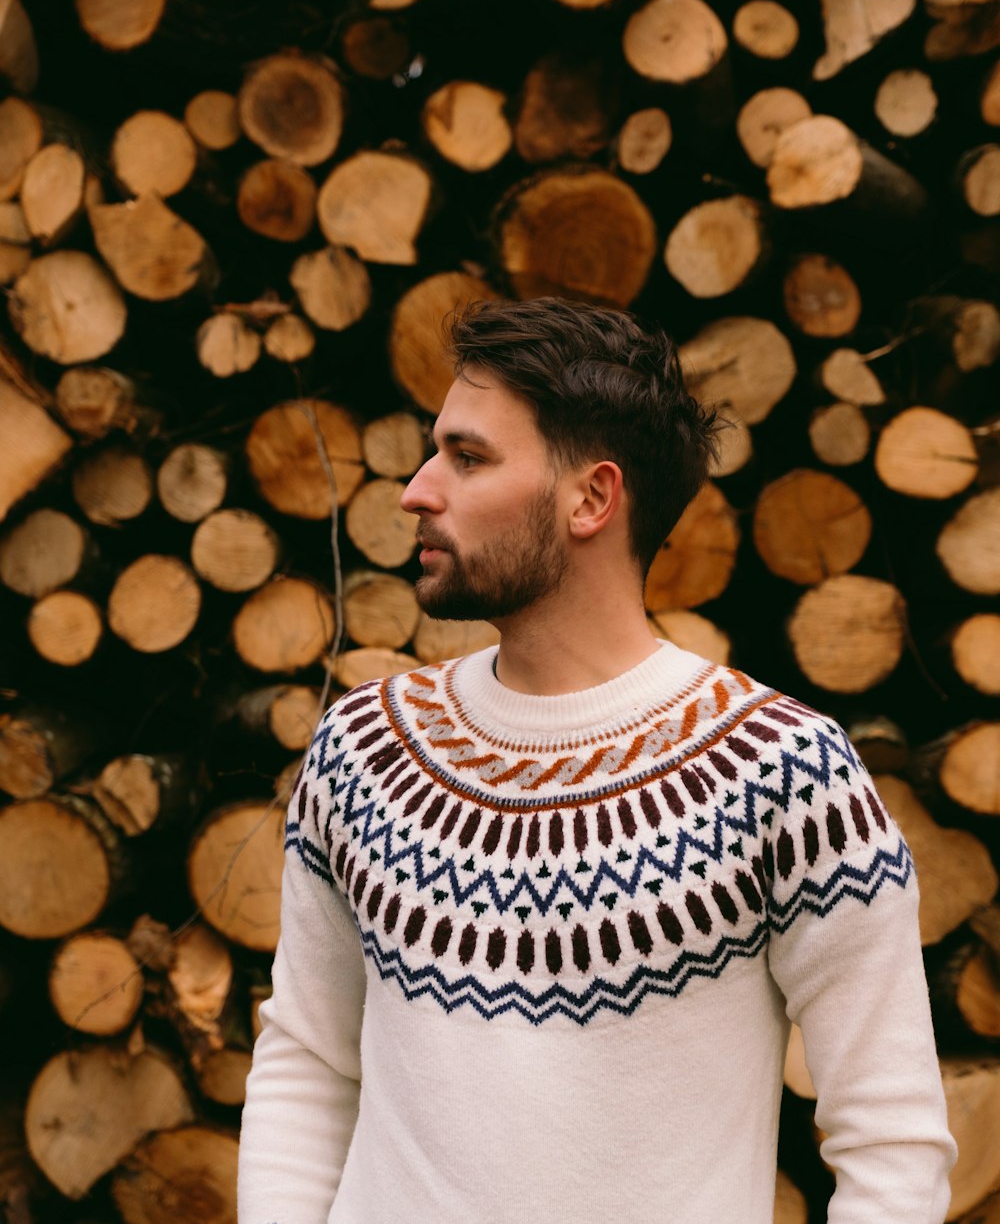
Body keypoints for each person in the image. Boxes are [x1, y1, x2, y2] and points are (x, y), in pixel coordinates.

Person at [238, 297, 956, 1224]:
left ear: (591, 498)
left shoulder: (784, 774)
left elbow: (890, 1138)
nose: (417, 489)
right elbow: (309, 1060)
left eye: (467, 457)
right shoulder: (364, 747)